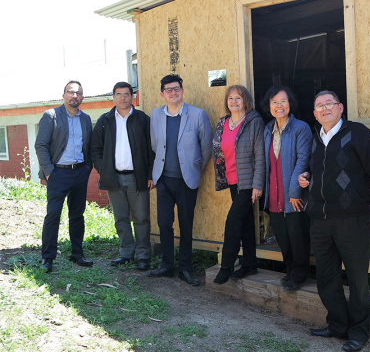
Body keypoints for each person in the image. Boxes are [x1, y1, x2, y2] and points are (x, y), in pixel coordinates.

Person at [299, 90, 370, 352]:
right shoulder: (317, 138)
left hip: (354, 220)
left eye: (329, 104)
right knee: (326, 278)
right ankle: (337, 325)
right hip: (320, 220)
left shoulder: (358, 134)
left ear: (340, 108)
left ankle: (359, 332)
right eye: (319, 106)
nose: (325, 109)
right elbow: (318, 169)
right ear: (315, 113)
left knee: (357, 279)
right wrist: (307, 177)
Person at [147, 74, 212, 286]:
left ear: (182, 91)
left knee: (186, 224)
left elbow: (206, 148)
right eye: (169, 90)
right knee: (164, 223)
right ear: (162, 94)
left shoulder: (197, 115)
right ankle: (167, 265)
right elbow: (155, 145)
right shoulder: (156, 115)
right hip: (164, 179)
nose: (173, 93)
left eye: (176, 89)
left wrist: (194, 170)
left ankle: (185, 268)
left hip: (187, 180)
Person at [90, 82, 154, 271]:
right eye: (119, 94)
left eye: (126, 94)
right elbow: (95, 148)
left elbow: (153, 149)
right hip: (113, 178)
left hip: (138, 177)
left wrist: (150, 174)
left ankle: (143, 255)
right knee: (121, 218)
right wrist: (104, 169)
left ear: (133, 96)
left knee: (142, 218)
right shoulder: (105, 120)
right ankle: (126, 253)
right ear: (113, 97)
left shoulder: (143, 119)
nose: (123, 98)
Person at [35, 80, 94, 273]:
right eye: (70, 92)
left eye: (78, 93)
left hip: (79, 172)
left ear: (82, 97)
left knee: (77, 215)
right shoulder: (51, 116)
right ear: (64, 95)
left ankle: (77, 253)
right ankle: (48, 258)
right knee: (53, 215)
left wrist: (87, 167)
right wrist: (49, 171)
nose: (74, 96)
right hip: (58, 173)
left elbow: (89, 145)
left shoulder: (85, 119)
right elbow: (41, 145)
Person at [212, 85, 265, 285]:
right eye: (231, 98)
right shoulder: (224, 123)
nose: (234, 102)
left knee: (232, 221)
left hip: (248, 182)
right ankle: (250, 263)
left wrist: (257, 185)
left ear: (246, 101)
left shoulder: (253, 121)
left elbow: (260, 155)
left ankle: (226, 266)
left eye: (238, 98)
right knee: (245, 222)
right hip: (232, 180)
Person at [261, 85, 312, 291]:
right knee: (282, 234)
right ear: (269, 106)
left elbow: (303, 161)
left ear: (290, 104)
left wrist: (294, 192)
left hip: (293, 193)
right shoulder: (267, 130)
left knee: (297, 233)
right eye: (274, 102)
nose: (279, 106)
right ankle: (289, 269)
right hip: (273, 192)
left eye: (283, 101)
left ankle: (299, 273)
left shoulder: (301, 128)